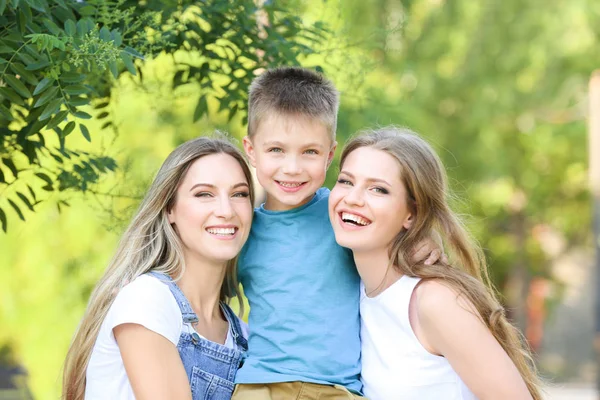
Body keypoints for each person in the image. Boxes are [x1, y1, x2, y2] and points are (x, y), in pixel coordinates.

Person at [232, 67, 443, 399]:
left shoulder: (344, 214)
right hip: (262, 385)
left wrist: (421, 241)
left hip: (339, 389)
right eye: (276, 150)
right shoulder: (242, 232)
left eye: (310, 152)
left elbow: (393, 234)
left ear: (330, 155)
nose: (292, 167)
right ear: (251, 150)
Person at [329, 127, 543, 400]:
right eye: (346, 181)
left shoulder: (434, 301)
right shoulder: (351, 290)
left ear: (412, 213)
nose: (353, 198)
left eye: (378, 189)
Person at [62, 135, 254, 400]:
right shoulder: (148, 301)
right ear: (169, 210)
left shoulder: (244, 337)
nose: (226, 210)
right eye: (204, 194)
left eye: (239, 194)